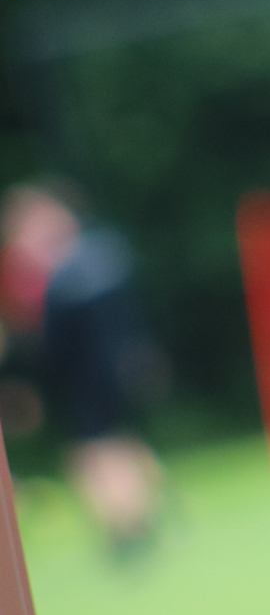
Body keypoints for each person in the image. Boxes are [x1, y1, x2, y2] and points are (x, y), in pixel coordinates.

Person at [0, 184, 165, 554]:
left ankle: (127, 526)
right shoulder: (102, 256)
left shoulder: (56, 276)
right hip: (115, 367)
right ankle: (141, 514)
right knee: (117, 442)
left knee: (94, 451)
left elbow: (40, 334)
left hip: (84, 373)